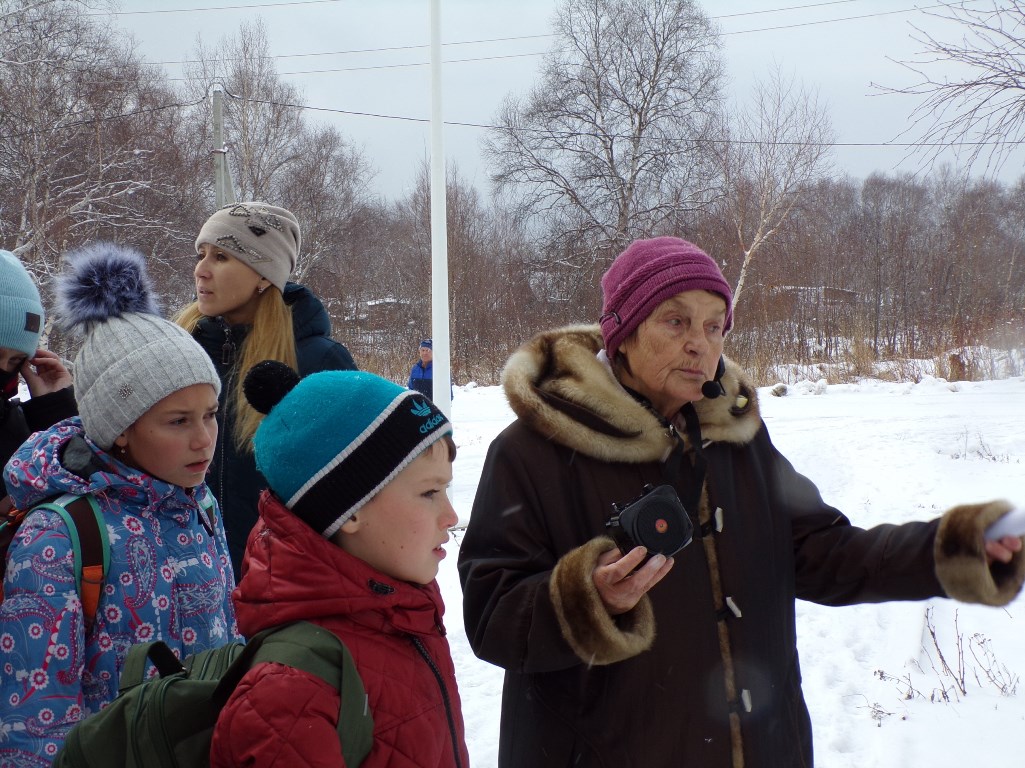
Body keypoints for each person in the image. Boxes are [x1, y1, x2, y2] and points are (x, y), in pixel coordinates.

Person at [457, 236, 1025, 768]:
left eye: (714, 325)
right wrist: (588, 597)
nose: (699, 343)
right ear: (621, 334)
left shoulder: (737, 439)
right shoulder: (534, 451)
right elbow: (491, 615)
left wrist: (959, 548)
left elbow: (825, 552)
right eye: (675, 320)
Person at [0, 242, 239, 762]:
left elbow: (229, 638)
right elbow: (35, 718)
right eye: (178, 421)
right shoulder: (60, 535)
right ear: (120, 430)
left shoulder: (199, 503)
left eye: (211, 414)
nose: (205, 440)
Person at [209, 361, 470, 768]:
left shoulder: (403, 612)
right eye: (429, 492)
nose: (451, 516)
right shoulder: (289, 694)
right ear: (347, 511)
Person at [175, 202, 357, 579]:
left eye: (221, 256)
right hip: (181, 588)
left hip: (280, 593)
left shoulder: (317, 363)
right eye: (201, 253)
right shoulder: (176, 351)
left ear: (262, 275)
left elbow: (352, 498)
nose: (201, 270)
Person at [0, 249, 77, 469]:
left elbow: (82, 490)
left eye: (16, 361)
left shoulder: (20, 426)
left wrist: (54, 411)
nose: (4, 369)